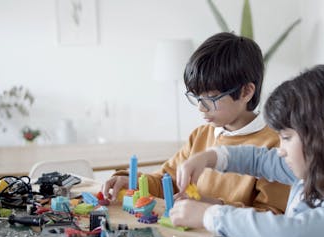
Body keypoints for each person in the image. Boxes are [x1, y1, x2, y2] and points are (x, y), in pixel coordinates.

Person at [170, 65, 324, 237]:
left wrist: (209, 216)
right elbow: (258, 159)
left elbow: (289, 234)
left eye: (286, 138)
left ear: (323, 138)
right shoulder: (309, 173)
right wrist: (210, 157)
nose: (280, 151)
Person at [102, 32, 290, 213]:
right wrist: (132, 180)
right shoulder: (201, 135)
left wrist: (211, 205)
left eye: (211, 99)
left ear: (246, 92)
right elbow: (167, 182)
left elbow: (272, 215)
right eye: (197, 98)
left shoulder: (275, 146)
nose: (201, 108)